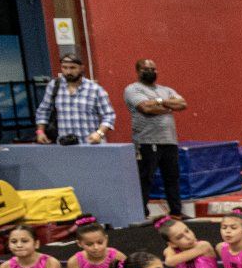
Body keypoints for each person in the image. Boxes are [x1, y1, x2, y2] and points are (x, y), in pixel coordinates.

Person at [124, 58, 188, 218]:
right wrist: (167, 106)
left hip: (169, 140)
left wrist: (159, 102)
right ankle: (140, 214)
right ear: (138, 71)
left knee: (172, 178)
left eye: (153, 69)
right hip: (146, 141)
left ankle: (176, 212)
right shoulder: (133, 89)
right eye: (146, 69)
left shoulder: (166, 89)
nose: (150, 72)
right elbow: (145, 108)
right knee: (145, 178)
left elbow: (182, 104)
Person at [35, 52, 115, 145]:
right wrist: (40, 132)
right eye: (64, 67)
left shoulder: (95, 89)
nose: (68, 72)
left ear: (81, 68)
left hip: (91, 144)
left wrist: (99, 133)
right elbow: (43, 111)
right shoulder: (54, 86)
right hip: (65, 145)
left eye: (72, 68)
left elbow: (109, 115)